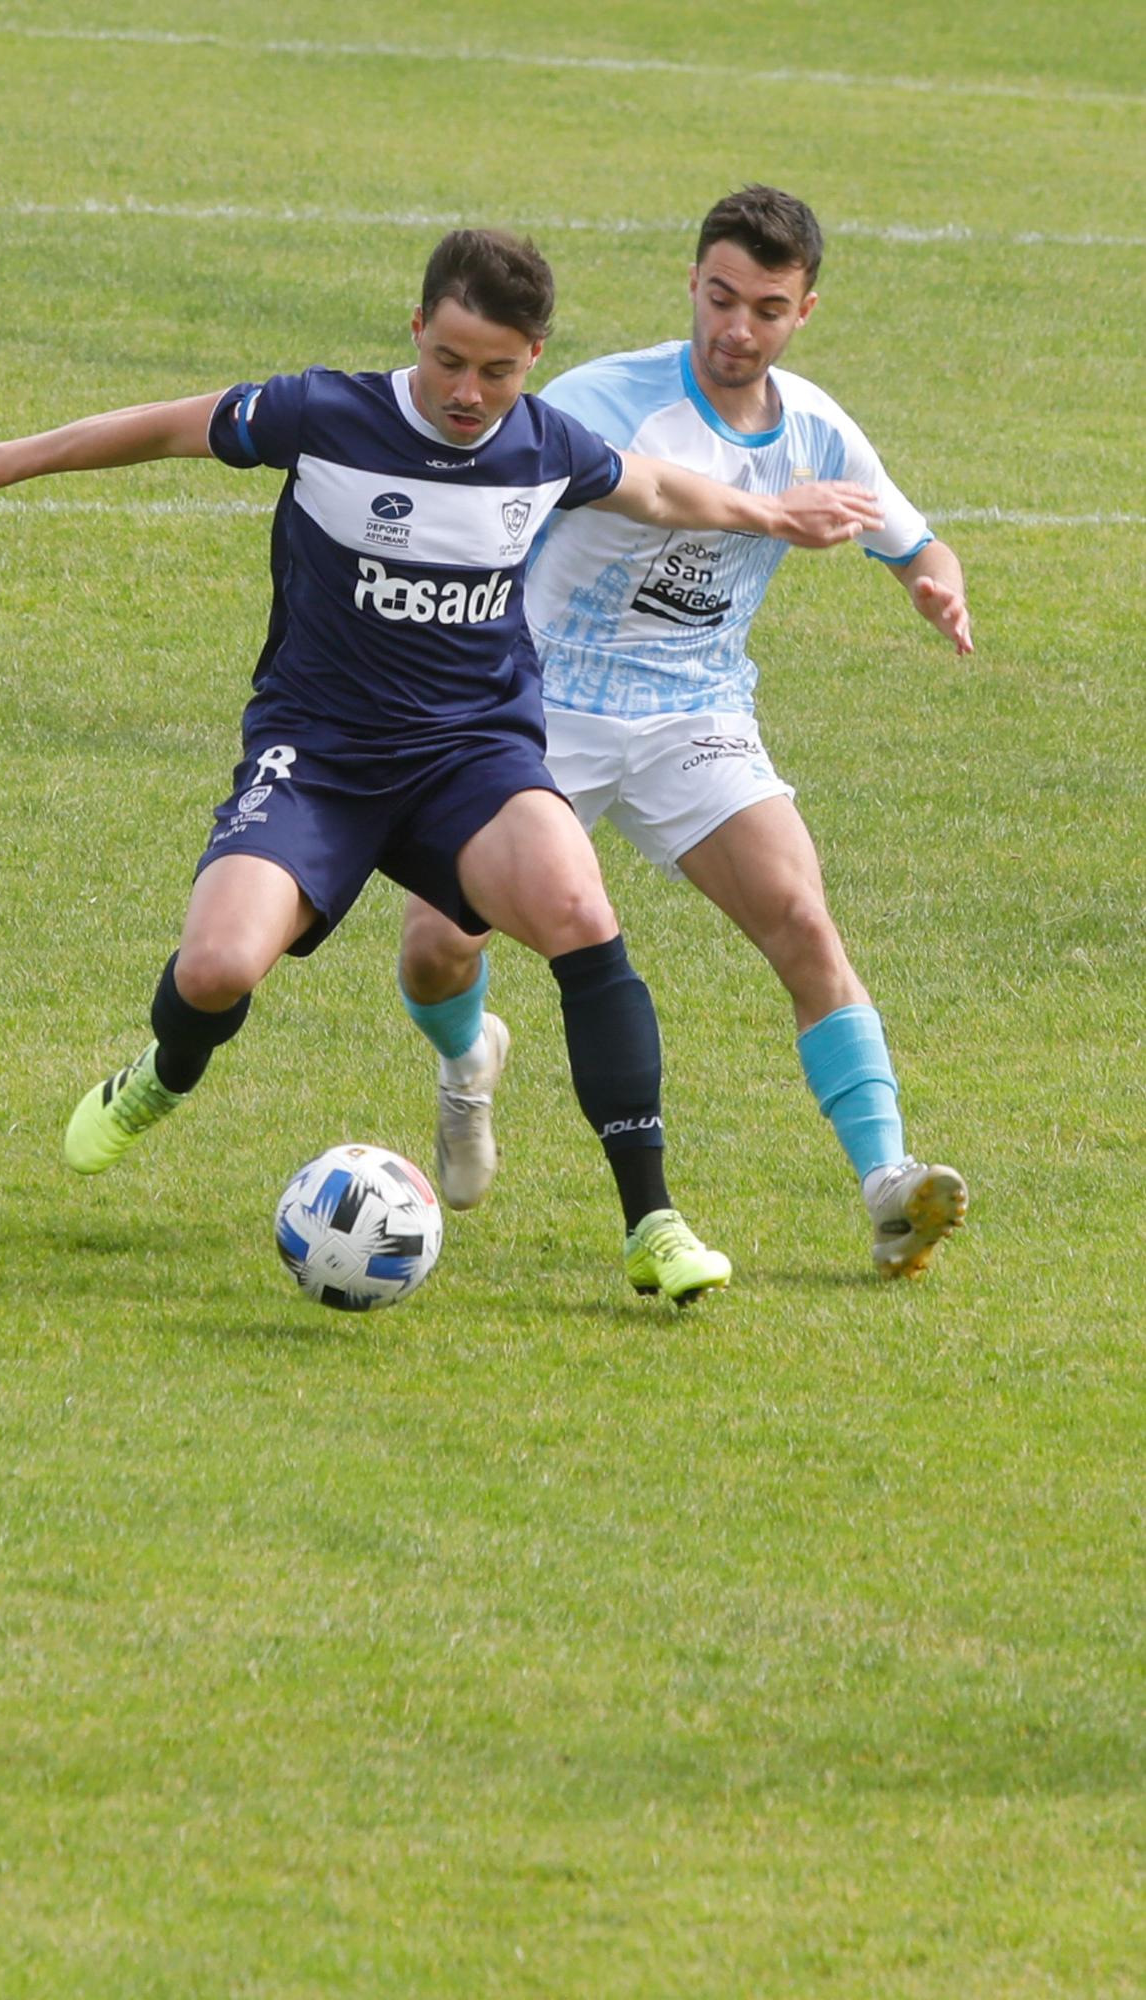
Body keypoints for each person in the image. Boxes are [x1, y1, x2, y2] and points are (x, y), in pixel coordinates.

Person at [0, 226, 883, 1307]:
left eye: (499, 371)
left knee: (579, 905)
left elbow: (658, 491)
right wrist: (3, 461)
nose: (470, 392)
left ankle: (652, 1222)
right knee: (217, 970)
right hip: (321, 756)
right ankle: (163, 1073)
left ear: (533, 359)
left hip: (472, 759)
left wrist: (772, 512)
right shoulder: (323, 415)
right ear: (418, 329)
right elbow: (164, 427)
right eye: (451, 361)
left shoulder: (543, 444)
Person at [397, 191, 970, 1281]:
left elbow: (915, 541)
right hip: (539, 709)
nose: (735, 329)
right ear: (692, 288)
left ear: (804, 310)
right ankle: (469, 1059)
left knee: (802, 919)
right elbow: (476, 514)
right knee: (436, 944)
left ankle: (889, 1186)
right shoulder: (604, 399)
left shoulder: (814, 427)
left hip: (693, 715)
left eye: (765, 306)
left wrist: (936, 588)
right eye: (719, 298)